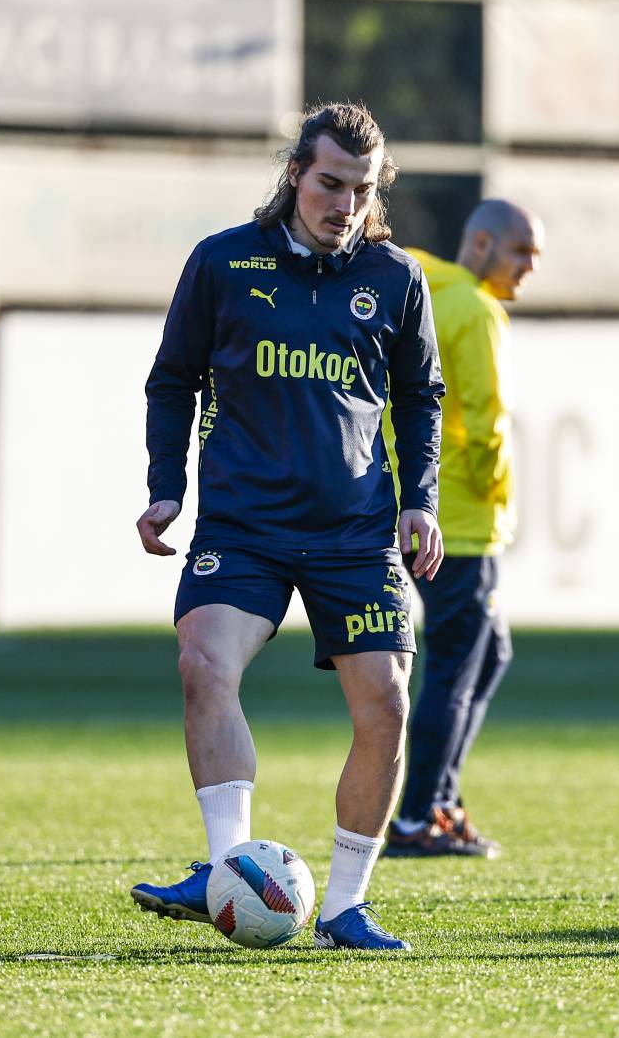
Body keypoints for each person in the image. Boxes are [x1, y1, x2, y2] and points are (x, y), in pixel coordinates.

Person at [129, 102, 445, 951]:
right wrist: (167, 488)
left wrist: (421, 497)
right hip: (245, 523)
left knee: (385, 705)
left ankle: (343, 909)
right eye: (330, 183)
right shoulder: (223, 263)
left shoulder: (394, 277)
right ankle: (228, 869)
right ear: (296, 176)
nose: (344, 204)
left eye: (361, 189)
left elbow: (421, 398)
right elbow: (173, 380)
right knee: (203, 663)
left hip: (355, 531)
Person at [383, 200, 543, 859]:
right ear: (479, 244)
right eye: (520, 252)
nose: (529, 267)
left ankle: (439, 801)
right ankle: (419, 815)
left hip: (413, 503)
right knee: (455, 664)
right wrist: (494, 490)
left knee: (489, 652)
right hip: (463, 520)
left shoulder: (423, 286)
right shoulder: (476, 309)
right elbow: (485, 418)